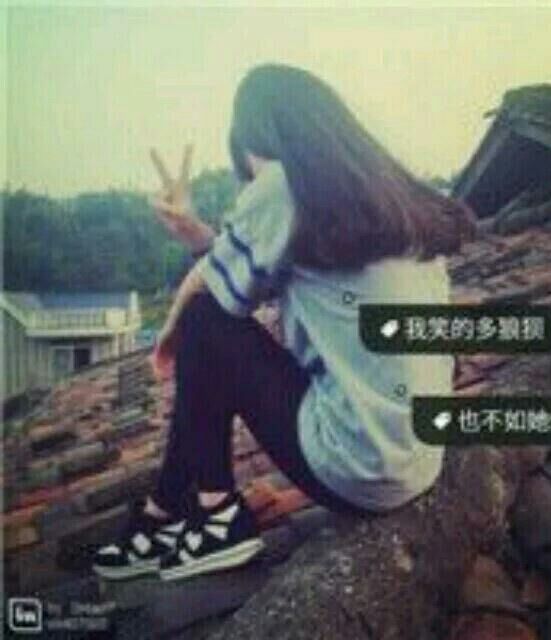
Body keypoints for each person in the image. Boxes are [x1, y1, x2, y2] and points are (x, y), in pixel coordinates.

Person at [93, 63, 476, 582]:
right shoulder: (391, 196)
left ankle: (215, 515)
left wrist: (168, 334)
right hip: (416, 461)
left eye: (244, 160)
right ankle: (164, 510)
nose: (250, 177)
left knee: (204, 320)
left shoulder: (284, 184)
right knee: (214, 343)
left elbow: (209, 292)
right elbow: (240, 265)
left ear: (260, 139)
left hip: (358, 468)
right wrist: (197, 235)